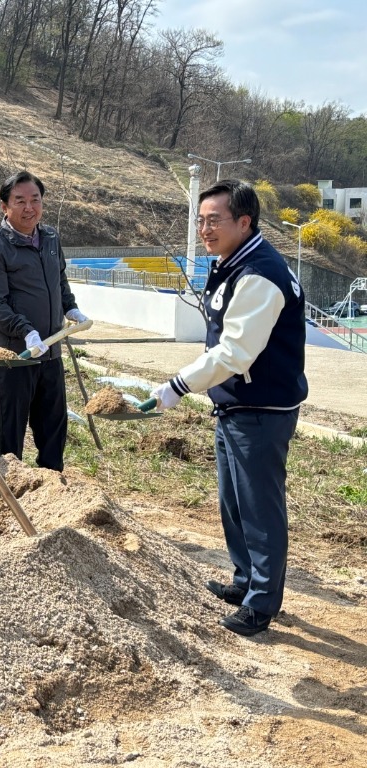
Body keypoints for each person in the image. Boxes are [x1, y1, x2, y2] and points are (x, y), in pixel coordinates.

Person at [152, 179, 307, 637]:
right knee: (235, 502)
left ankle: (262, 605)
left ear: (244, 221)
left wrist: (180, 384)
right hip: (236, 402)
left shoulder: (260, 273)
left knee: (259, 507)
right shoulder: (233, 262)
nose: (205, 229)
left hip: (262, 407)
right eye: (200, 220)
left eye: (214, 220)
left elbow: (237, 352)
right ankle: (245, 581)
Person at [0, 171, 87, 470]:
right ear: (4, 207)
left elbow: (59, 280)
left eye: (35, 200)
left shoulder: (50, 238)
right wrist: (25, 331)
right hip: (15, 355)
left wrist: (71, 308)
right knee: (12, 429)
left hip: (50, 350)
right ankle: (10, 486)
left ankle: (52, 484)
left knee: (53, 426)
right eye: (20, 201)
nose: (29, 208)